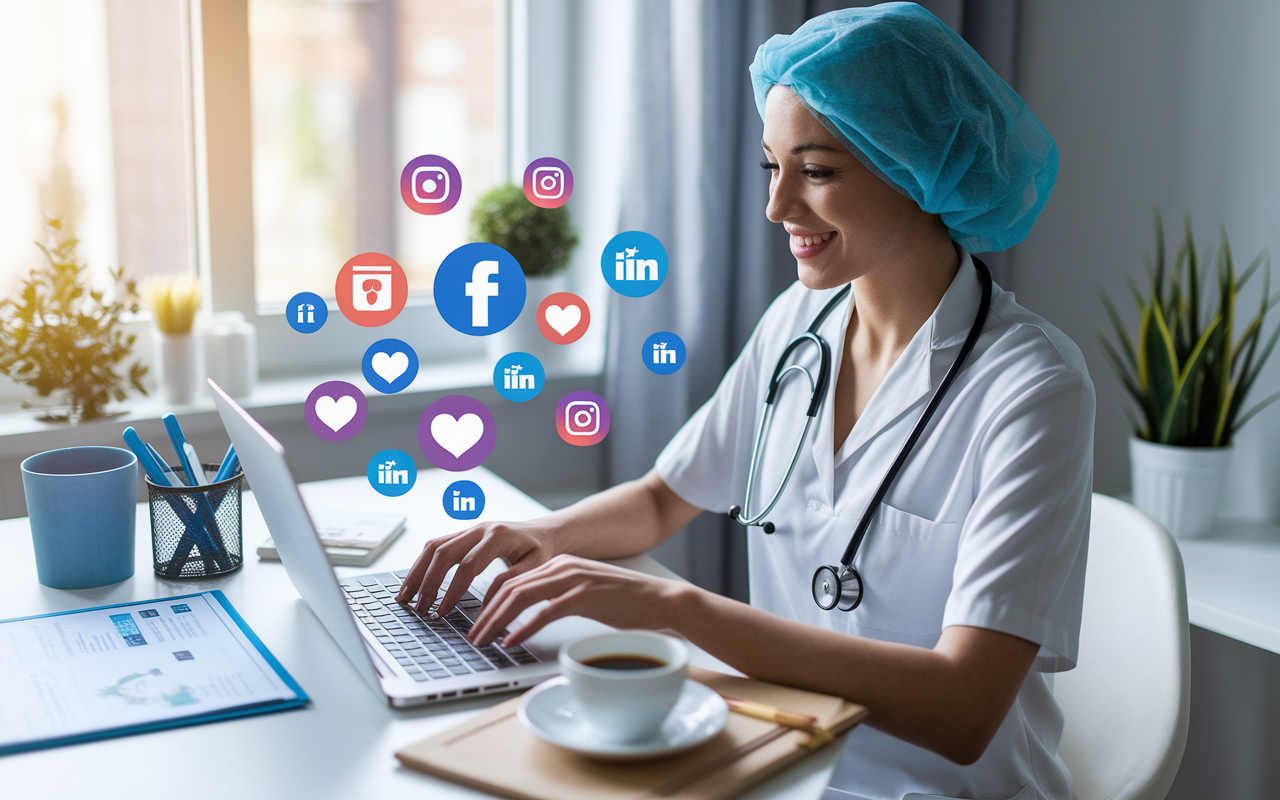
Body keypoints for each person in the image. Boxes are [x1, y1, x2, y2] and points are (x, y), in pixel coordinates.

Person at [397, 4, 1093, 799]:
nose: (778, 208)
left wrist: (674, 607)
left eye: (818, 171)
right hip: (783, 764)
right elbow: (665, 499)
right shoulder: (801, 325)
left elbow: (965, 709)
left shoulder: (1033, 391)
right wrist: (534, 537)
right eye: (772, 167)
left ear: (915, 167)